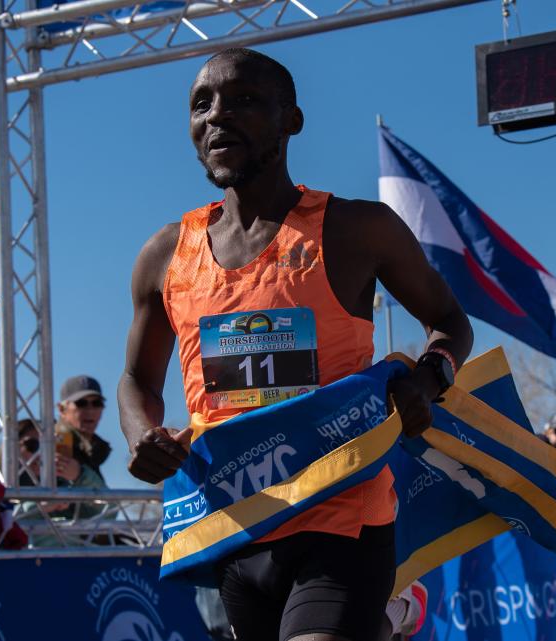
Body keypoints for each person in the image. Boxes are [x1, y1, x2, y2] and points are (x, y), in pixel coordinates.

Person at [117, 48, 473, 641]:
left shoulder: (358, 228)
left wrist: (430, 376)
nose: (217, 117)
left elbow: (449, 323)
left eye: (245, 101)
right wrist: (139, 434)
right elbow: (136, 381)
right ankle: (386, 622)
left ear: (292, 120)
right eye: (201, 105)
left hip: (343, 516)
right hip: (235, 521)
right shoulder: (164, 255)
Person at [56, 375, 112, 481]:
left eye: (97, 403)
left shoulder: (89, 447)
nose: (90, 410)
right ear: (62, 409)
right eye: (81, 403)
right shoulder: (60, 440)